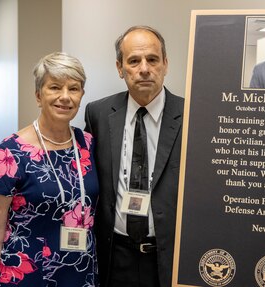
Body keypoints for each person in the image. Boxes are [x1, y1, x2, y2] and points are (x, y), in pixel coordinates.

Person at [0, 52, 99, 286]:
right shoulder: (9, 154)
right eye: (55, 87)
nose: (65, 97)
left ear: (81, 95)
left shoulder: (88, 144)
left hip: (81, 274)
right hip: (26, 275)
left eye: (73, 89)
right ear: (38, 95)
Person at [84, 25, 184, 287]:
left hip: (167, 258)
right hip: (115, 257)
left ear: (165, 63)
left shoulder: (191, 115)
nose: (144, 69)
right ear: (120, 68)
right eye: (133, 61)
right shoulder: (98, 113)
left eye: (152, 59)